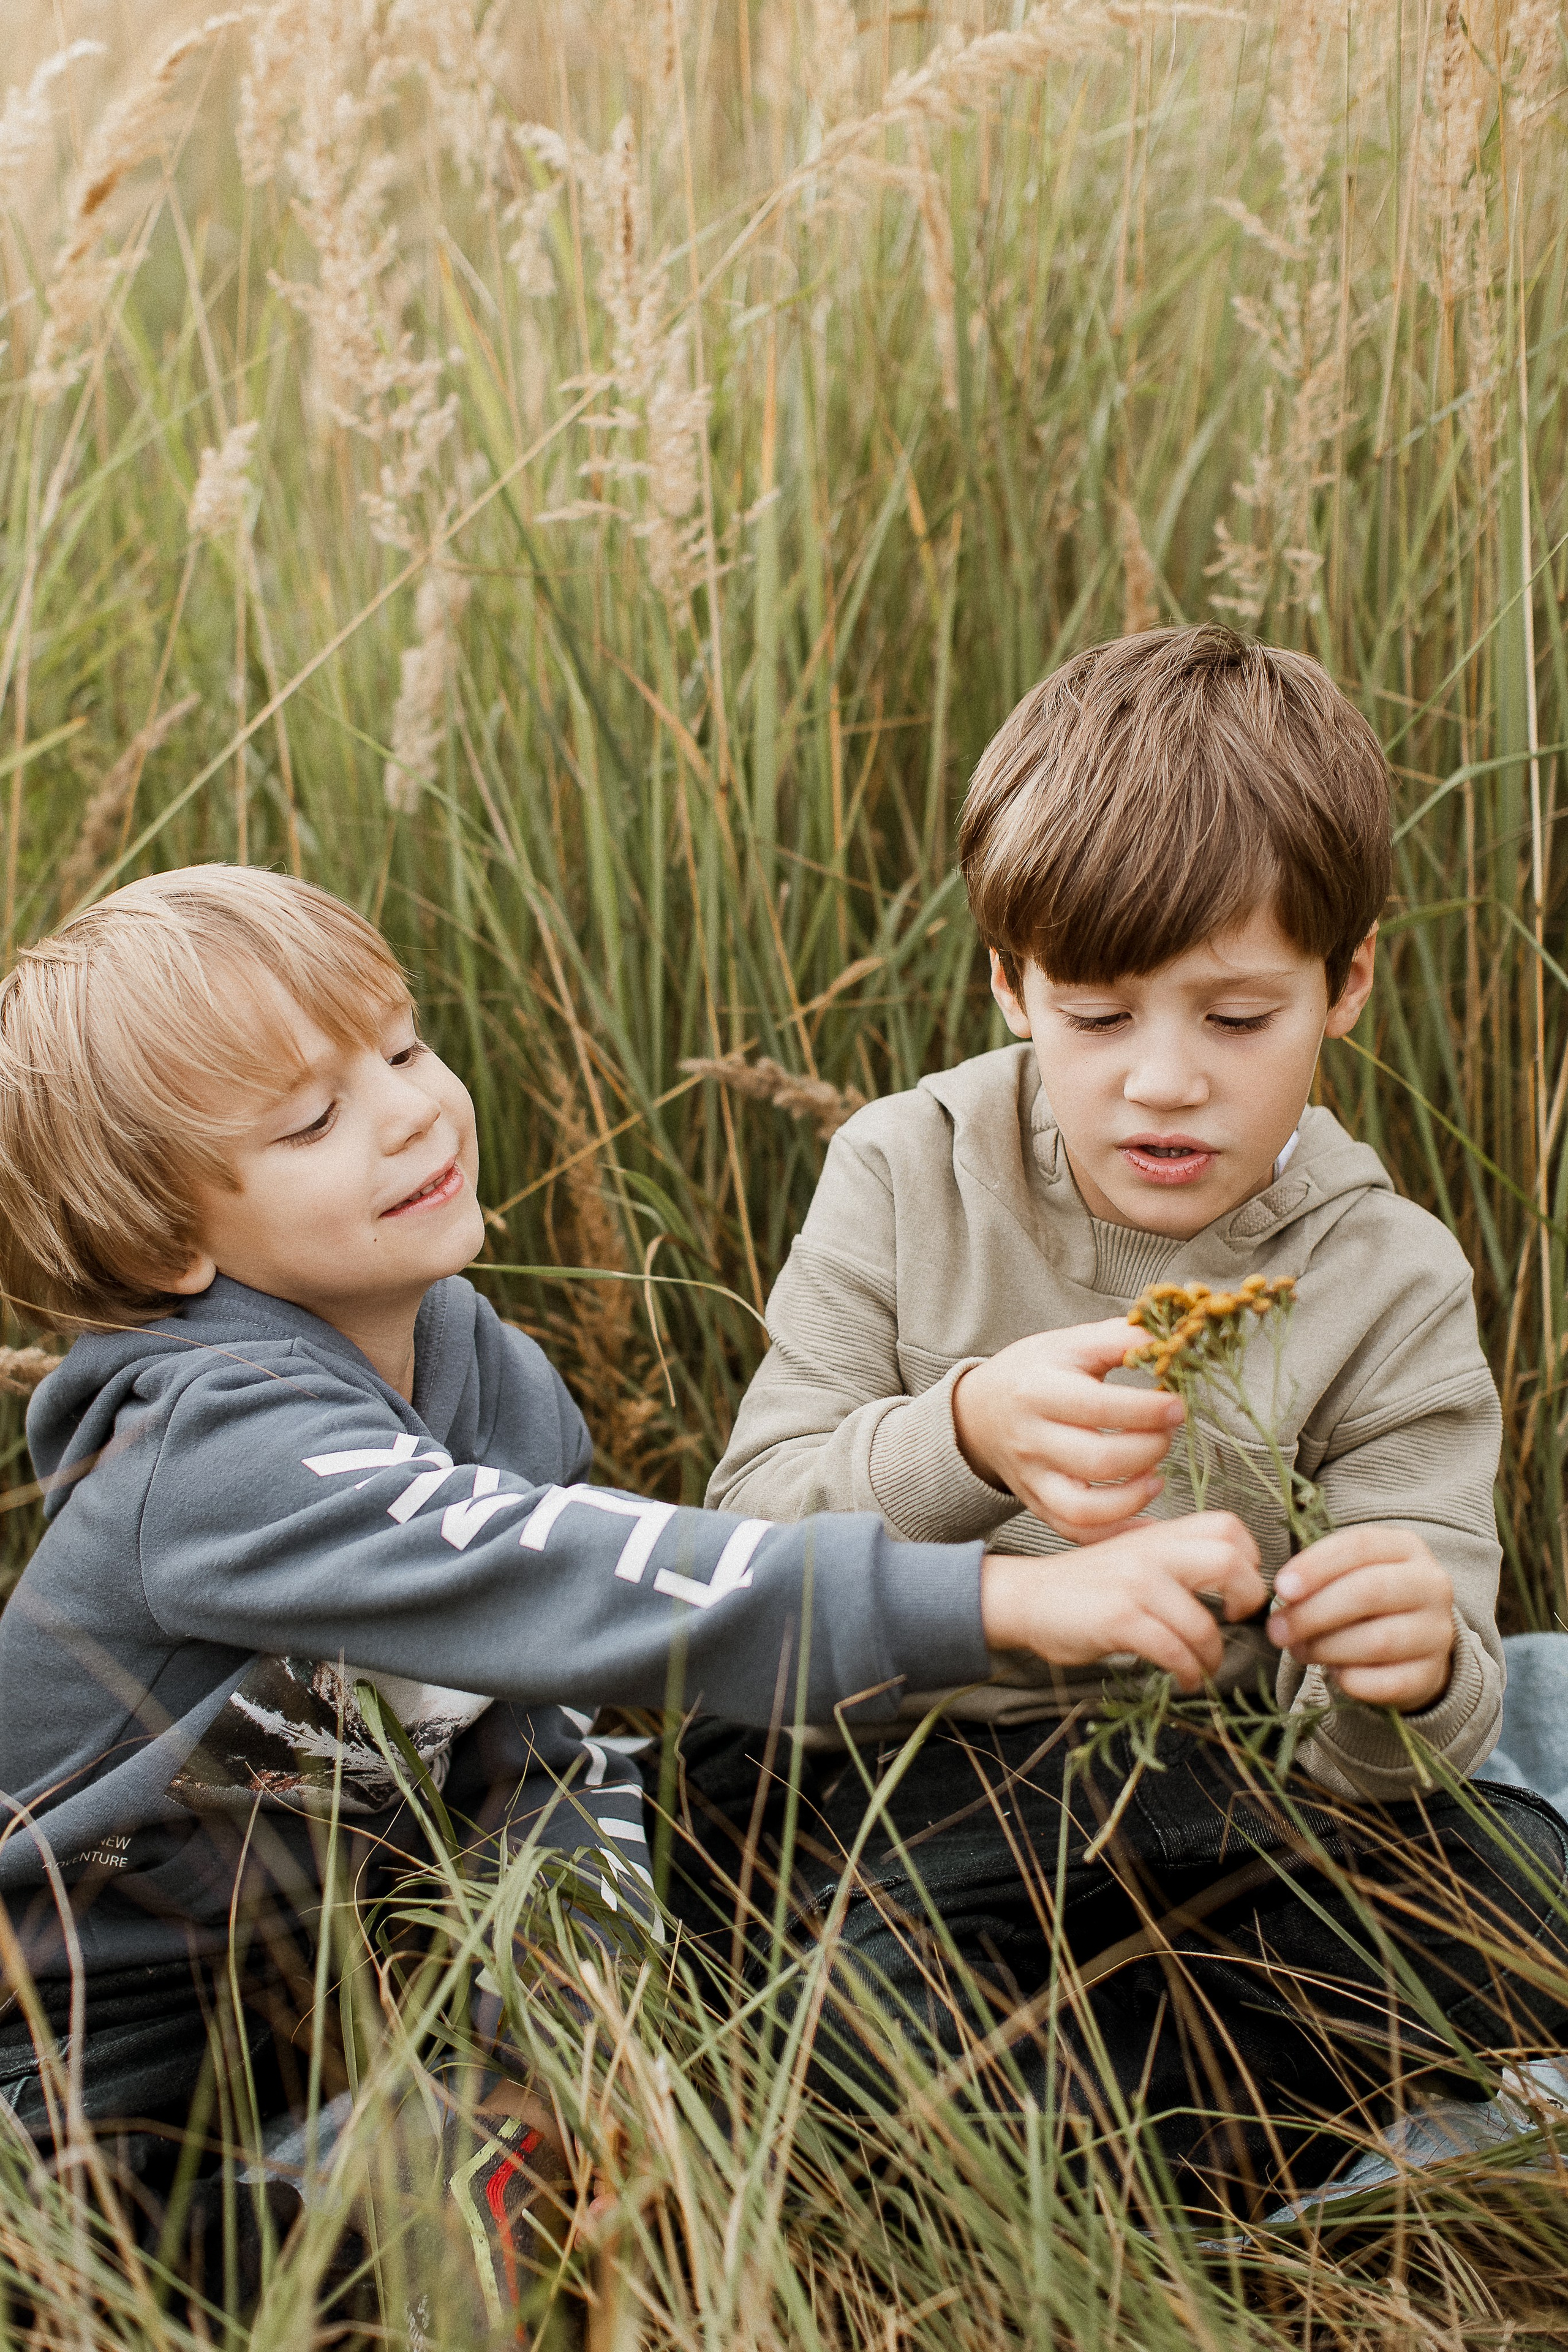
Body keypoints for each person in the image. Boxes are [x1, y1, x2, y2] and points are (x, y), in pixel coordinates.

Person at [0, 863, 1268, 2307]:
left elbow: (550, 1738)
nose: (413, 1107)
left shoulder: (480, 1373)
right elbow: (608, 1580)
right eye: (312, 1117)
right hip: (75, 2027)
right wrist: (994, 1601)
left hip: (338, 1974)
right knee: (147, 2280)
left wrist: (571, 2040)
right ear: (167, 1237)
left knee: (765, 1817)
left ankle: (527, 2172)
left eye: (403, 1047)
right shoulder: (209, 1458)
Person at [697, 623, 1568, 2207]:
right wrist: (959, 1437)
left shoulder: (1390, 1278)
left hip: (1219, 1801)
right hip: (902, 1789)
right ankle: (1152, 2135)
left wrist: (1411, 1661)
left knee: (1530, 1893)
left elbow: (1401, 1755)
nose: (1165, 1083)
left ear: (1346, 985)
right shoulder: (901, 1174)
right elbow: (745, 1542)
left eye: (1236, 1020)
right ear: (1011, 984)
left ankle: (1067, 2148)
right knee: (826, 1975)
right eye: (1100, 1016)